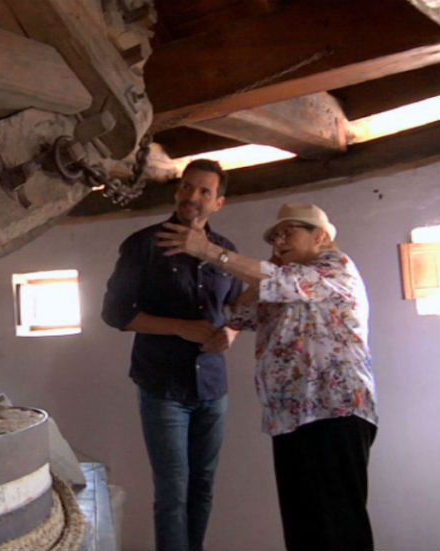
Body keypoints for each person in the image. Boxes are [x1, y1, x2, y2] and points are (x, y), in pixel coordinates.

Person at [156, 202, 377, 551]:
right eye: (275, 236)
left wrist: (209, 251)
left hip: (334, 412)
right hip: (289, 417)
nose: (279, 240)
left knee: (338, 526)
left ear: (320, 237)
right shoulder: (285, 279)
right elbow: (240, 311)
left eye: (289, 232)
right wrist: (262, 276)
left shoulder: (334, 267)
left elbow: (279, 283)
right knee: (304, 530)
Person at [102, 159, 242, 551]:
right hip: (163, 386)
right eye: (186, 187)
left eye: (204, 191)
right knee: (173, 493)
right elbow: (115, 313)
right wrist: (180, 327)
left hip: (212, 387)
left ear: (218, 203)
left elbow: (237, 306)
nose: (192, 196)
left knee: (203, 487)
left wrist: (232, 332)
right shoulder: (144, 244)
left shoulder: (226, 252)